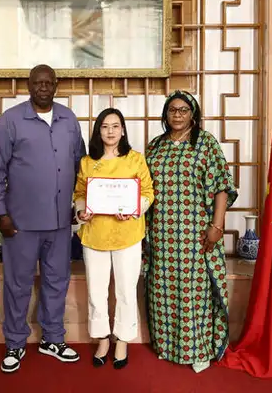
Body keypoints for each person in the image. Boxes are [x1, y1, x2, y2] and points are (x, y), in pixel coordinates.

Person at [0, 64, 86, 373]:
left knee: (56, 283)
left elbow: (81, 165)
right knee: (18, 285)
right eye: (37, 83)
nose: (43, 87)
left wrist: (79, 203)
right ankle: (15, 343)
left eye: (48, 83)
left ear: (56, 85)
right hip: (20, 224)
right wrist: (1, 213)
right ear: (28, 86)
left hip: (59, 223)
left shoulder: (69, 119)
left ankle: (52, 339)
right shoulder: (10, 120)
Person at [144, 90, 238, 373]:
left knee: (194, 292)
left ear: (193, 114)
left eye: (183, 110)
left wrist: (216, 226)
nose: (177, 115)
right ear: (165, 114)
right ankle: (167, 346)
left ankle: (198, 350)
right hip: (161, 234)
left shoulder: (205, 143)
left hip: (196, 234)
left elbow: (222, 185)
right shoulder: (155, 146)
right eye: (172, 110)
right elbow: (144, 189)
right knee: (163, 292)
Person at [73, 108, 154, 370]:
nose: (110, 131)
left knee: (126, 291)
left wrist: (133, 209)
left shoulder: (135, 159)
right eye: (105, 126)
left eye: (115, 126)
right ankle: (102, 339)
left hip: (127, 234)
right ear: (98, 131)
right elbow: (79, 193)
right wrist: (81, 211)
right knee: (96, 292)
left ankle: (122, 339)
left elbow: (148, 192)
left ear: (123, 130)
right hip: (95, 235)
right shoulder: (88, 161)